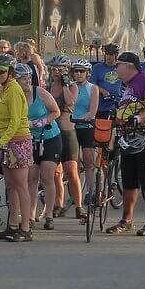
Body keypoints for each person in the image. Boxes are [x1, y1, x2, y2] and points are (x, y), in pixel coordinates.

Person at [107, 52, 145, 237]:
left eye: (119, 64)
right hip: (129, 139)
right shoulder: (127, 86)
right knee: (129, 179)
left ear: (129, 66)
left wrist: (138, 118)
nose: (116, 68)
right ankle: (127, 219)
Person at [0, 54, 32, 242]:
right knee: (10, 187)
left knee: (21, 186)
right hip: (7, 142)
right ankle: (12, 225)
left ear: (10, 72)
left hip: (18, 141)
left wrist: (2, 141)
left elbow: (14, 121)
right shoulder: (4, 90)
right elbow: (3, 122)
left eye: (1, 72)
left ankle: (26, 228)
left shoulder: (13, 90)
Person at [23, 64, 61, 230]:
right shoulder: (15, 95)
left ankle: (49, 213)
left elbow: (56, 111)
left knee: (47, 176)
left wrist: (42, 121)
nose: (25, 82)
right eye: (21, 79)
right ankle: (30, 214)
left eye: (27, 78)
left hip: (50, 136)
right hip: (31, 139)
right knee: (31, 177)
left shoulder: (40, 92)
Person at [46, 55, 81, 219]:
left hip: (68, 131)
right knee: (56, 172)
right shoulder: (48, 87)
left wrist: (66, 84)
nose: (57, 72)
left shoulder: (72, 86)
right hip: (53, 133)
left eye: (60, 69)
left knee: (71, 170)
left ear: (67, 71)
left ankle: (79, 205)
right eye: (54, 69)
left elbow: (70, 102)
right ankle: (58, 204)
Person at [69, 58, 98, 222]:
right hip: (73, 127)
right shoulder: (71, 87)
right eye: (76, 71)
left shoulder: (93, 88)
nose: (79, 74)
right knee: (74, 163)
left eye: (82, 71)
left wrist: (81, 119)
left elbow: (93, 110)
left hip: (86, 126)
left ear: (87, 74)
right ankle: (76, 192)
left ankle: (90, 191)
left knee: (88, 161)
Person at [90, 43, 123, 118]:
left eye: (111, 54)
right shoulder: (97, 67)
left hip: (117, 104)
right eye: (107, 54)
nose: (108, 56)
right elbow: (91, 83)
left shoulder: (121, 67)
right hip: (101, 106)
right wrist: (102, 91)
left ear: (116, 55)